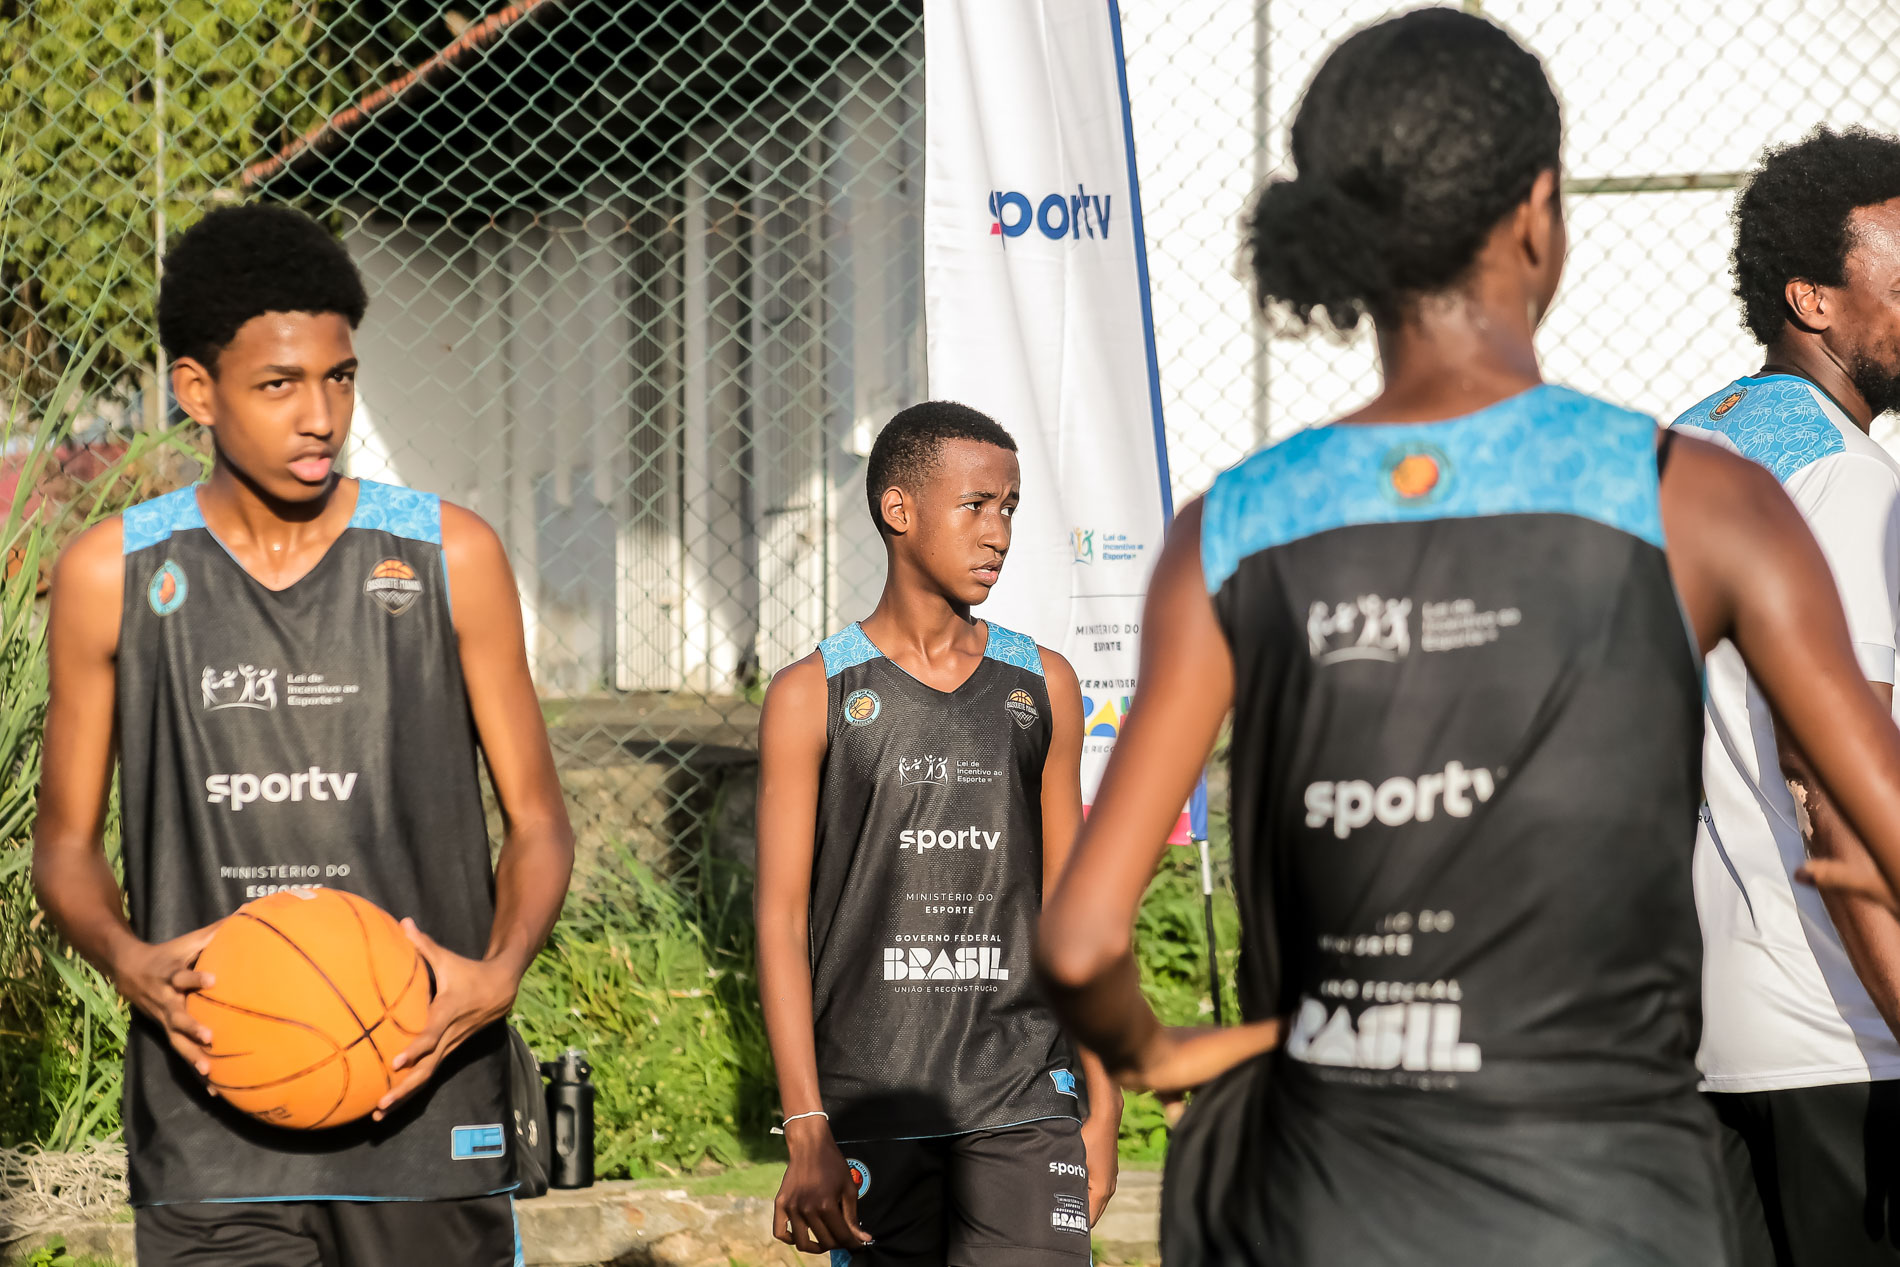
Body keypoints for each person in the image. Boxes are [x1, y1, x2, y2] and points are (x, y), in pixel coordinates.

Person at [1034, 11, 1900, 1266]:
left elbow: (1076, 942)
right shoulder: (1700, 499)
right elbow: (1875, 821)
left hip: (1324, 1200)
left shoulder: (1229, 527)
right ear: (1537, 214)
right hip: (1607, 1198)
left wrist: (1160, 1052)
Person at [31, 204, 574, 1267]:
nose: (320, 415)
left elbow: (540, 822)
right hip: (212, 1121)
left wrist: (502, 967)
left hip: (422, 1095)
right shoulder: (111, 574)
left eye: (340, 378)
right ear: (198, 391)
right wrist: (128, 958)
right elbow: (64, 846)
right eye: (279, 385)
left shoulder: (451, 554)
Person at [754, 401, 1121, 1265]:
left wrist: (1102, 1101)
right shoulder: (813, 693)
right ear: (899, 509)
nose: (998, 533)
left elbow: (1077, 907)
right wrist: (806, 1121)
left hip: (1025, 1092)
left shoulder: (1044, 683)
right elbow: (780, 919)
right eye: (976, 505)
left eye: (1010, 508)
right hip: (873, 1100)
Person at [1672, 126, 1900, 1267]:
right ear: (1812, 300)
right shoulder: (1844, 482)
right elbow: (1832, 781)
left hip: (1700, 1024)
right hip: (1843, 1028)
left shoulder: (1685, 445)